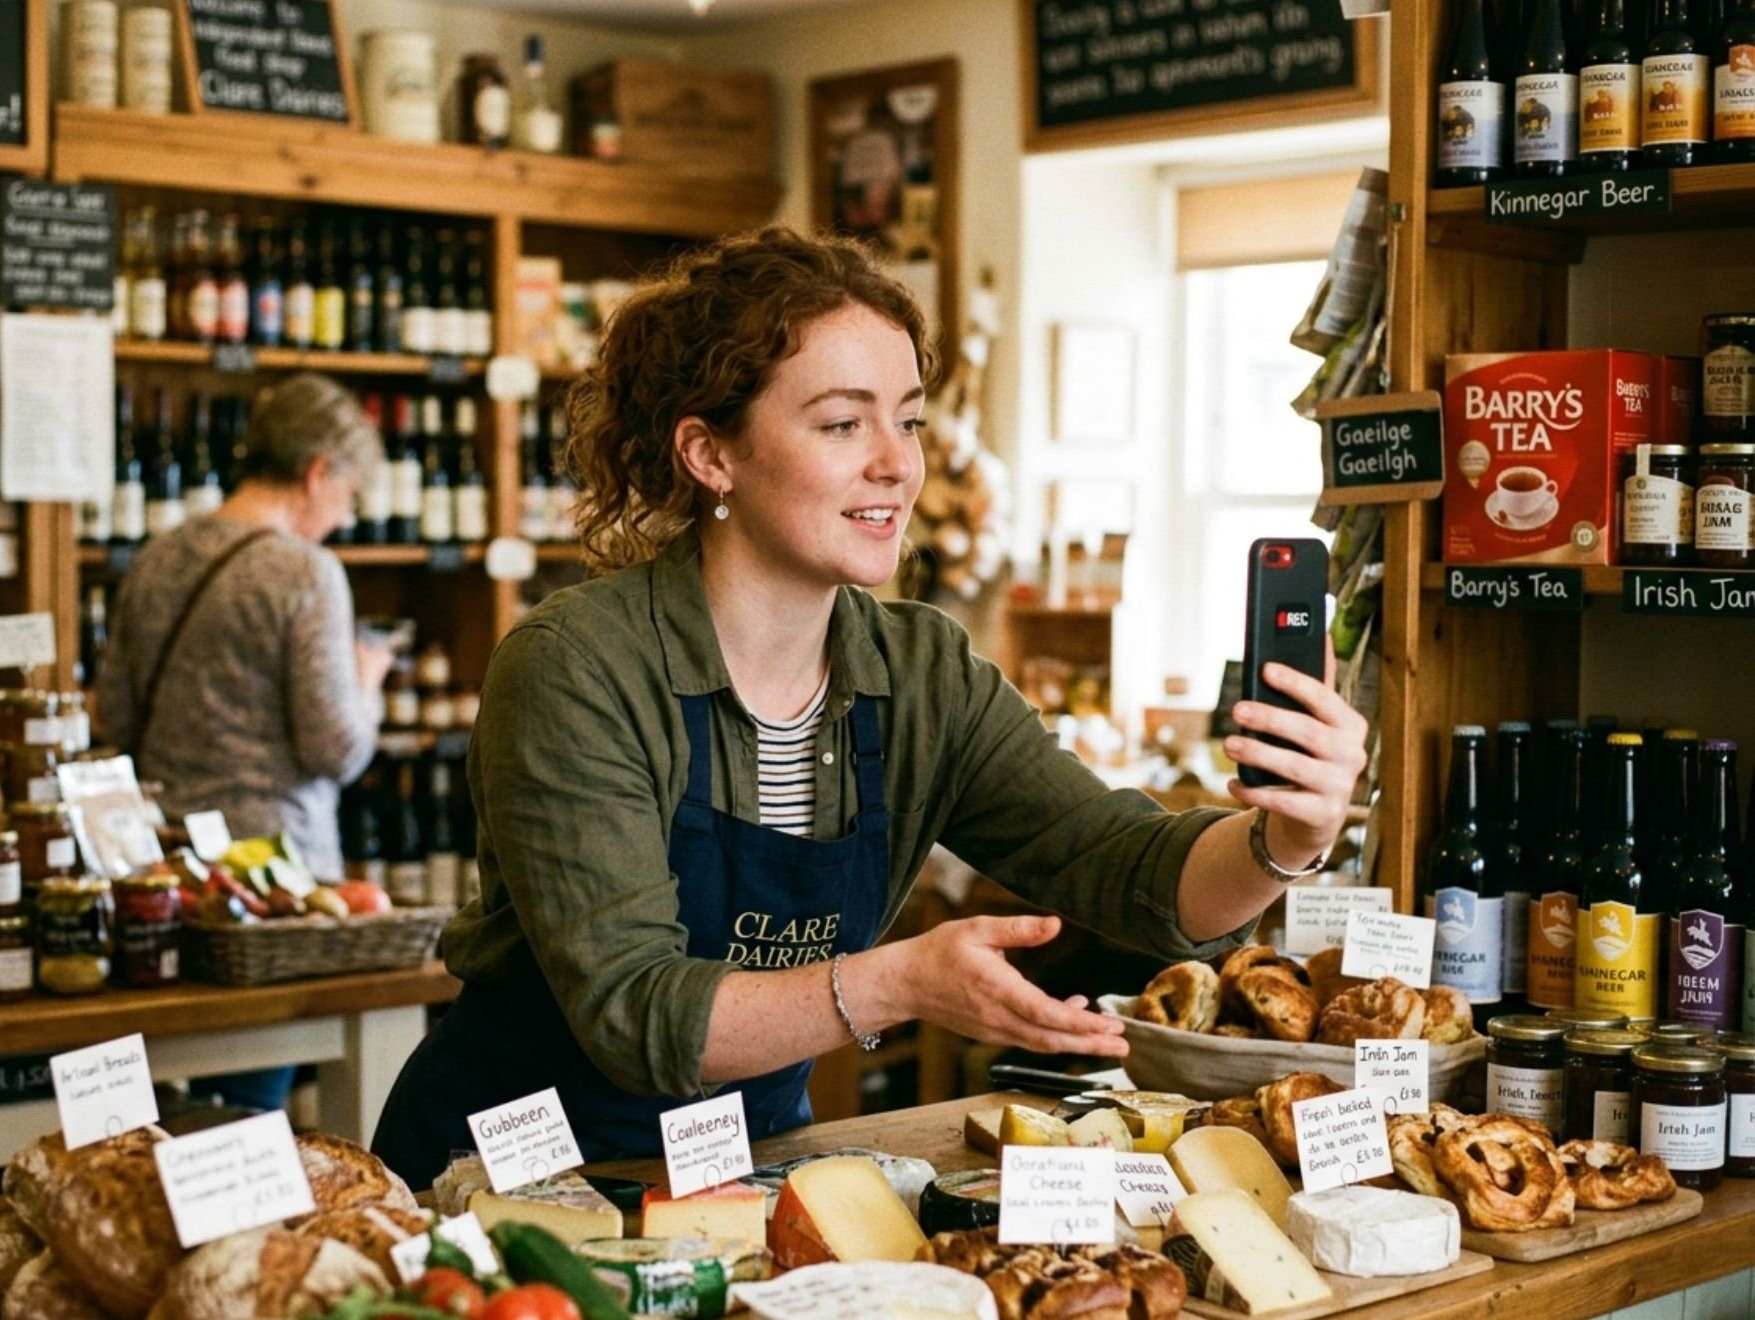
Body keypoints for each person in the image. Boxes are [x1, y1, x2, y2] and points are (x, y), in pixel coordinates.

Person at [371, 229, 1366, 1187]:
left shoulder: (920, 669)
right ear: (710, 455)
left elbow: (1136, 875)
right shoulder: (577, 666)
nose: (898, 462)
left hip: (742, 1173)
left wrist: (1285, 834)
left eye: (909, 418)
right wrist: (898, 981)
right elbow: (637, 1013)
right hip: (515, 1179)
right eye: (844, 423)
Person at [96, 373, 392, 1110]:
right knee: (253, 1110)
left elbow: (112, 723)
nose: (347, 517)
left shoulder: (157, 556)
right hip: (271, 890)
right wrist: (368, 679)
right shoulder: (304, 572)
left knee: (171, 1108)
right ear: (318, 471)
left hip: (166, 878)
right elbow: (337, 749)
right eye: (349, 495)